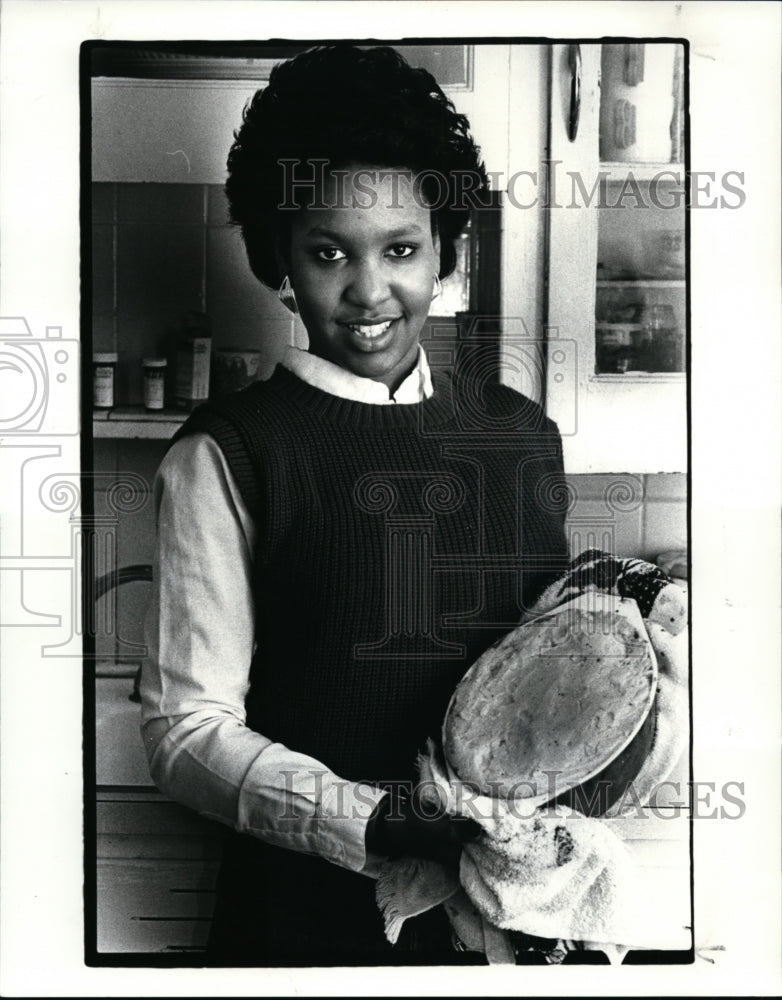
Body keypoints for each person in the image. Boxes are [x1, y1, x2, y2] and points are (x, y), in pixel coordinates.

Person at [141, 43, 570, 967]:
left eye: (402, 250)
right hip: (303, 927)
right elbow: (186, 733)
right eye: (329, 252)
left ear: (446, 253)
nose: (370, 292)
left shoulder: (522, 436)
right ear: (278, 261)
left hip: (503, 924)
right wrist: (380, 823)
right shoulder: (231, 451)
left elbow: (552, 676)